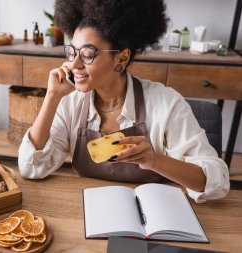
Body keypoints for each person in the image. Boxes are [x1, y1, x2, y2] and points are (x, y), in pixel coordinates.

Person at [18, 0, 229, 203]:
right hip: (85, 210)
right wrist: (52, 96)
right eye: (72, 52)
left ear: (121, 58)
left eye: (88, 54)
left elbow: (215, 183)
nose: (74, 65)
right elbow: (31, 167)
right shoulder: (70, 103)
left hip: (152, 213)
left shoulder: (166, 103)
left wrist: (154, 160)